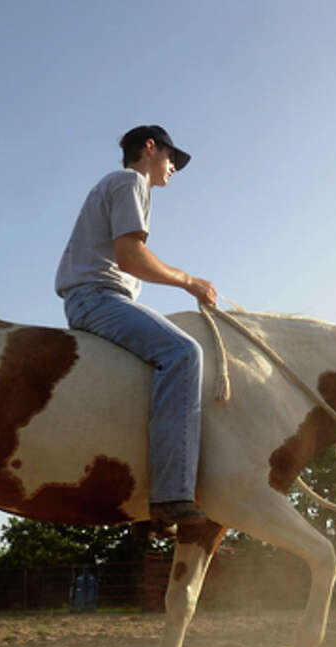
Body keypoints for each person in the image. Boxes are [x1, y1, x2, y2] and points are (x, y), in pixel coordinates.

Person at [55, 125, 217, 526]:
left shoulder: (117, 185)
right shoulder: (130, 182)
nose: (173, 168)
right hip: (98, 298)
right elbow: (131, 256)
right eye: (171, 158)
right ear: (150, 148)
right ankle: (170, 493)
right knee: (183, 353)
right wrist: (189, 282)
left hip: (93, 297)